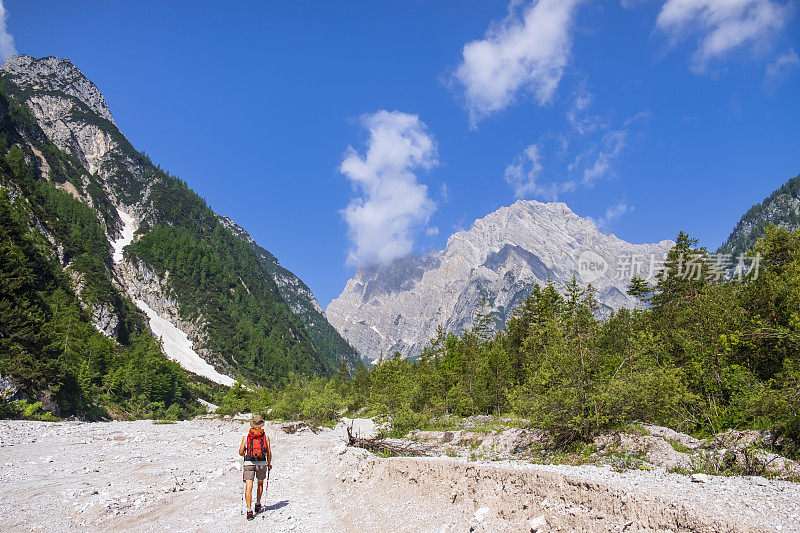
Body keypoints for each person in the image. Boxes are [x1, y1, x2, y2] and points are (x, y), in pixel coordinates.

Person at [239, 414, 272, 521]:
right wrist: (269, 463)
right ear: (262, 424)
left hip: (249, 462)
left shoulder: (246, 436)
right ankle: (258, 504)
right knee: (260, 483)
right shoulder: (266, 437)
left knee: (249, 486)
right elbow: (269, 452)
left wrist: (246, 454)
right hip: (262, 463)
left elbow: (240, 452)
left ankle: (249, 510)